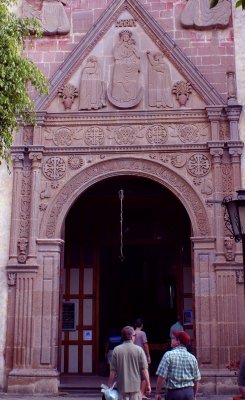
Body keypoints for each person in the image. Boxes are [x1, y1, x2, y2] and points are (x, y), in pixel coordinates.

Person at [108, 325, 151, 400]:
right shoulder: (139, 350)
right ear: (131, 337)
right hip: (135, 388)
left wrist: (110, 385)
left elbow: (113, 371)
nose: (135, 337)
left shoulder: (116, 350)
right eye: (135, 335)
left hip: (122, 388)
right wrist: (148, 384)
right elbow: (144, 370)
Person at [155, 330, 201, 400]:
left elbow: (161, 376)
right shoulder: (192, 358)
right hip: (189, 393)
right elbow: (196, 379)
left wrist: (157, 393)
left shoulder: (168, 355)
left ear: (178, 342)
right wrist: (194, 395)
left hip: (174, 393)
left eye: (173, 338)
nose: (171, 339)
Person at [134, 318, 151, 399]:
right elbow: (145, 345)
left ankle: (135, 393)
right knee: (144, 375)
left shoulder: (132, 333)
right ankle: (141, 393)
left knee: (135, 374)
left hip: (133, 356)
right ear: (142, 325)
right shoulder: (142, 333)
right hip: (142, 356)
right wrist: (148, 356)